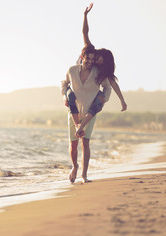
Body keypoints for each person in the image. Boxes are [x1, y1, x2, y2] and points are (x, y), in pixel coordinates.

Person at [67, 3, 127, 138]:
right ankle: (78, 127)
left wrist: (122, 100)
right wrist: (85, 15)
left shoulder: (100, 68)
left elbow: (113, 83)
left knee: (97, 102)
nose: (95, 62)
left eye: (100, 62)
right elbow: (85, 32)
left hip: (87, 92)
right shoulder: (90, 50)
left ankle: (80, 128)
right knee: (70, 95)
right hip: (75, 81)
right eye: (98, 58)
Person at [61, 45, 111, 183]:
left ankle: (84, 175)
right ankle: (74, 167)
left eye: (92, 59)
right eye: (87, 58)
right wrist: (64, 97)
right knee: (73, 144)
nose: (90, 61)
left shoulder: (98, 73)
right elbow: (65, 83)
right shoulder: (72, 70)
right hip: (73, 113)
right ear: (82, 57)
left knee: (85, 143)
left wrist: (103, 99)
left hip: (90, 113)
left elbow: (107, 87)